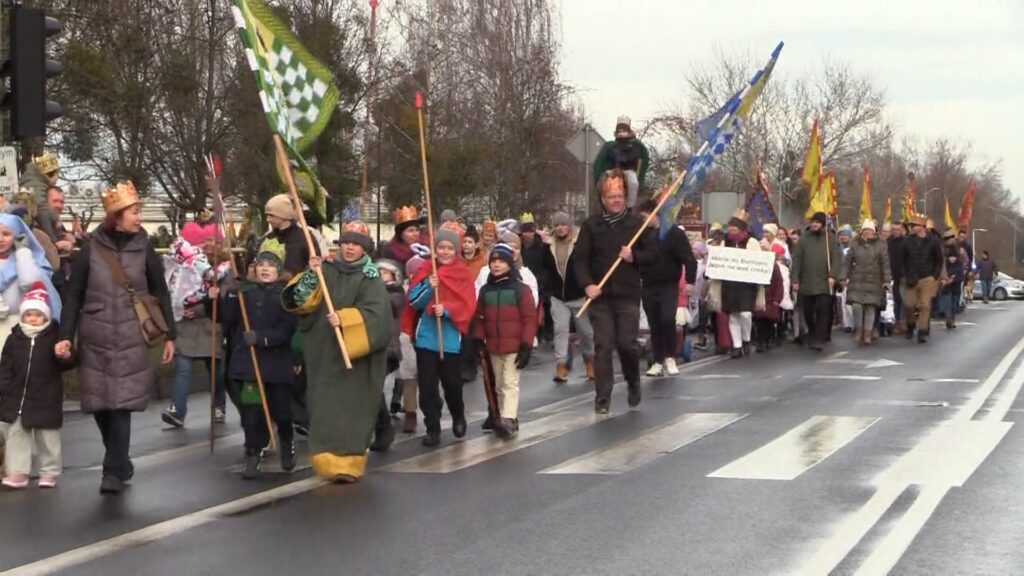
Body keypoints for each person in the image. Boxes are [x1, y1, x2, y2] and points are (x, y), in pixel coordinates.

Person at [57, 182, 176, 494]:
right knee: (99, 403)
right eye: (134, 212)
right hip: (95, 335)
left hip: (131, 335)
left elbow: (159, 290)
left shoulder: (145, 247)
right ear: (116, 216)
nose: (139, 217)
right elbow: (74, 294)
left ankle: (112, 471)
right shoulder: (91, 249)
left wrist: (171, 336)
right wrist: (65, 335)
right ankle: (120, 459)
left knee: (121, 403)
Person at [283, 220, 392, 483]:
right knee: (324, 408)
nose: (349, 248)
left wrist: (347, 320)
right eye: (346, 242)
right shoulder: (325, 270)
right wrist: (311, 275)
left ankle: (350, 461)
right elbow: (298, 301)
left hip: (356, 359)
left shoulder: (371, 278)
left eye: (355, 244)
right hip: (325, 353)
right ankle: (326, 458)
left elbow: (379, 318)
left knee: (353, 409)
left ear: (364, 248)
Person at [574, 169, 656, 413]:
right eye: (611, 197)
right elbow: (580, 259)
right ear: (603, 200)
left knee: (626, 344)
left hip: (628, 295)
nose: (616, 200)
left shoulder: (637, 225)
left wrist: (634, 256)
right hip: (601, 298)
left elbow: (653, 255)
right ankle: (602, 397)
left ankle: (633, 381)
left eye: (619, 196)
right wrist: (587, 284)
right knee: (603, 346)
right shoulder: (591, 226)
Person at [218, 239, 297, 479]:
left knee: (282, 411)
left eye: (270, 265)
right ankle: (253, 452)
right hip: (250, 365)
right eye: (261, 264)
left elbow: (288, 330)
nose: (265, 269)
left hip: (276, 364)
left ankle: (286, 443)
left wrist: (262, 338)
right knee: (252, 413)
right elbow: (227, 319)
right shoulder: (245, 292)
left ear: (278, 269)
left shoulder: (286, 295)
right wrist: (227, 296)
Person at [403, 222, 477, 447]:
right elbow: (414, 302)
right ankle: (432, 427)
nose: (444, 252)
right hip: (426, 337)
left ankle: (458, 415)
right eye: (441, 247)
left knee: (452, 384)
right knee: (427, 387)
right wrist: (428, 285)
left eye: (449, 248)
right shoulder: (426, 269)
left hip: (451, 338)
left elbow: (468, 305)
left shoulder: (463, 274)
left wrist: (447, 311)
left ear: (456, 251)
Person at [0, 283, 73, 489]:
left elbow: (67, 363)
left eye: (37, 314)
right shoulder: (15, 338)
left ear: (46, 316)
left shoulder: (54, 336)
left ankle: (49, 472)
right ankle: (17, 472)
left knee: (47, 437)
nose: (33, 318)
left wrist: (65, 355)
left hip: (46, 396)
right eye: (29, 314)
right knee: (16, 435)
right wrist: (4, 387)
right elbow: (5, 365)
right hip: (17, 397)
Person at [161, 222, 227, 428]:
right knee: (183, 367)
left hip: (210, 323)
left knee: (215, 369)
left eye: (211, 241)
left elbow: (224, 294)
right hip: (186, 326)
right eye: (203, 241)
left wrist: (200, 308)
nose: (207, 246)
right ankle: (177, 409)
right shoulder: (185, 261)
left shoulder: (224, 265)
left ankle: (219, 406)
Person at [473, 244, 537, 439]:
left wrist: (526, 344)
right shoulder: (486, 290)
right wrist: (478, 339)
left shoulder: (521, 290)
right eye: (493, 261)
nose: (497, 265)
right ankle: (504, 416)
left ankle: (508, 418)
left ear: (510, 264)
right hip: (493, 345)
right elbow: (479, 317)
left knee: (510, 381)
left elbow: (529, 319)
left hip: (514, 346)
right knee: (499, 383)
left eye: (501, 261)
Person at [636, 199, 696, 376]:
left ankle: (670, 357)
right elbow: (637, 257)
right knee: (654, 323)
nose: (644, 220)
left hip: (669, 284)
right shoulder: (640, 235)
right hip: (648, 284)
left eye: (646, 216)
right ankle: (657, 360)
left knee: (667, 319)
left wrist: (690, 281)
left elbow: (688, 258)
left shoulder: (673, 233)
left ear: (655, 214)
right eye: (641, 217)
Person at [541, 211, 595, 382]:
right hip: (558, 297)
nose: (560, 228)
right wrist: (548, 290)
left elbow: (590, 265)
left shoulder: (580, 244)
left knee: (586, 332)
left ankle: (590, 361)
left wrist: (589, 286)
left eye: (563, 224)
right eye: (557, 225)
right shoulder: (549, 246)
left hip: (579, 295)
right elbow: (544, 269)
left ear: (570, 226)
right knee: (560, 330)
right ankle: (561, 365)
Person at [709, 212, 763, 359]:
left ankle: (746, 339)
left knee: (746, 314)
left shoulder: (751, 242)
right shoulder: (724, 242)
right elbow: (718, 260)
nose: (731, 231)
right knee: (733, 315)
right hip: (729, 284)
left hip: (747, 285)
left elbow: (759, 262)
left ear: (741, 229)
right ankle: (737, 346)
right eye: (730, 228)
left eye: (734, 228)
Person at [791, 212, 841, 352]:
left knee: (823, 310)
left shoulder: (830, 239)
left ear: (823, 224)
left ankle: (819, 338)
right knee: (808, 311)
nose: (815, 224)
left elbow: (836, 259)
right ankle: (812, 331)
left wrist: (833, 275)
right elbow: (797, 260)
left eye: (818, 222)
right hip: (807, 282)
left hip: (825, 282)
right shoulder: (804, 240)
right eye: (813, 222)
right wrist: (795, 279)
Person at [839, 219, 891, 345]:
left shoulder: (881, 244)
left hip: (874, 280)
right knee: (856, 306)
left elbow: (885, 264)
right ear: (862, 231)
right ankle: (858, 330)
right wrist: (843, 277)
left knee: (870, 307)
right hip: (857, 279)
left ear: (874, 232)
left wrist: (886, 280)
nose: (867, 232)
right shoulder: (854, 244)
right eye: (865, 230)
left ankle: (868, 334)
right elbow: (847, 262)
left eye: (870, 230)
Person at [372, 258, 405, 450]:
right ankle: (381, 429)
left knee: (374, 388)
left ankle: (384, 430)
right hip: (373, 346)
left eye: (386, 273)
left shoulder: (396, 294)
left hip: (388, 348)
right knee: (372, 389)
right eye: (379, 272)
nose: (381, 276)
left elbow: (389, 306)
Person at [899, 214, 944, 343]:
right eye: (911, 225)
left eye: (915, 225)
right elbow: (902, 260)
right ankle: (911, 324)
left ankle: (922, 330)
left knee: (925, 305)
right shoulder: (907, 241)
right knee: (909, 305)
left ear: (922, 227)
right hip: (911, 278)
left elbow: (939, 260)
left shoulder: (933, 241)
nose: (912, 228)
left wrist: (934, 276)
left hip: (927, 278)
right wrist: (904, 275)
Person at [592, 117, 651, 209]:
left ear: (628, 132)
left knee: (633, 183)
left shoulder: (635, 145)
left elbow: (643, 159)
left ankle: (629, 206)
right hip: (613, 169)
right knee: (604, 178)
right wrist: (598, 177)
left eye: (623, 131)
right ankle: (603, 199)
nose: (621, 133)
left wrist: (640, 177)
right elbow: (600, 162)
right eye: (619, 131)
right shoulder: (610, 145)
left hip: (628, 170)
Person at [754, 245, 785, 353]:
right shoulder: (754, 264)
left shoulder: (773, 266)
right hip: (759, 294)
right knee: (759, 320)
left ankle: (768, 339)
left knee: (768, 320)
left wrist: (777, 298)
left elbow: (778, 283)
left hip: (770, 297)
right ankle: (760, 341)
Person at [940, 230, 965, 329]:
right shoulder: (942, 251)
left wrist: (954, 279)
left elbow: (960, 272)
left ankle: (952, 319)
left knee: (953, 304)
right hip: (946, 284)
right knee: (947, 303)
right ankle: (948, 319)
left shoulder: (958, 254)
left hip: (955, 285)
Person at [887, 221, 908, 333]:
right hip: (892, 275)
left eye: (898, 229)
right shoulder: (888, 242)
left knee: (903, 300)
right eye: (894, 229)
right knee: (895, 300)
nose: (896, 231)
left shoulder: (906, 242)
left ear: (902, 230)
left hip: (903, 275)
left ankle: (902, 321)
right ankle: (896, 322)